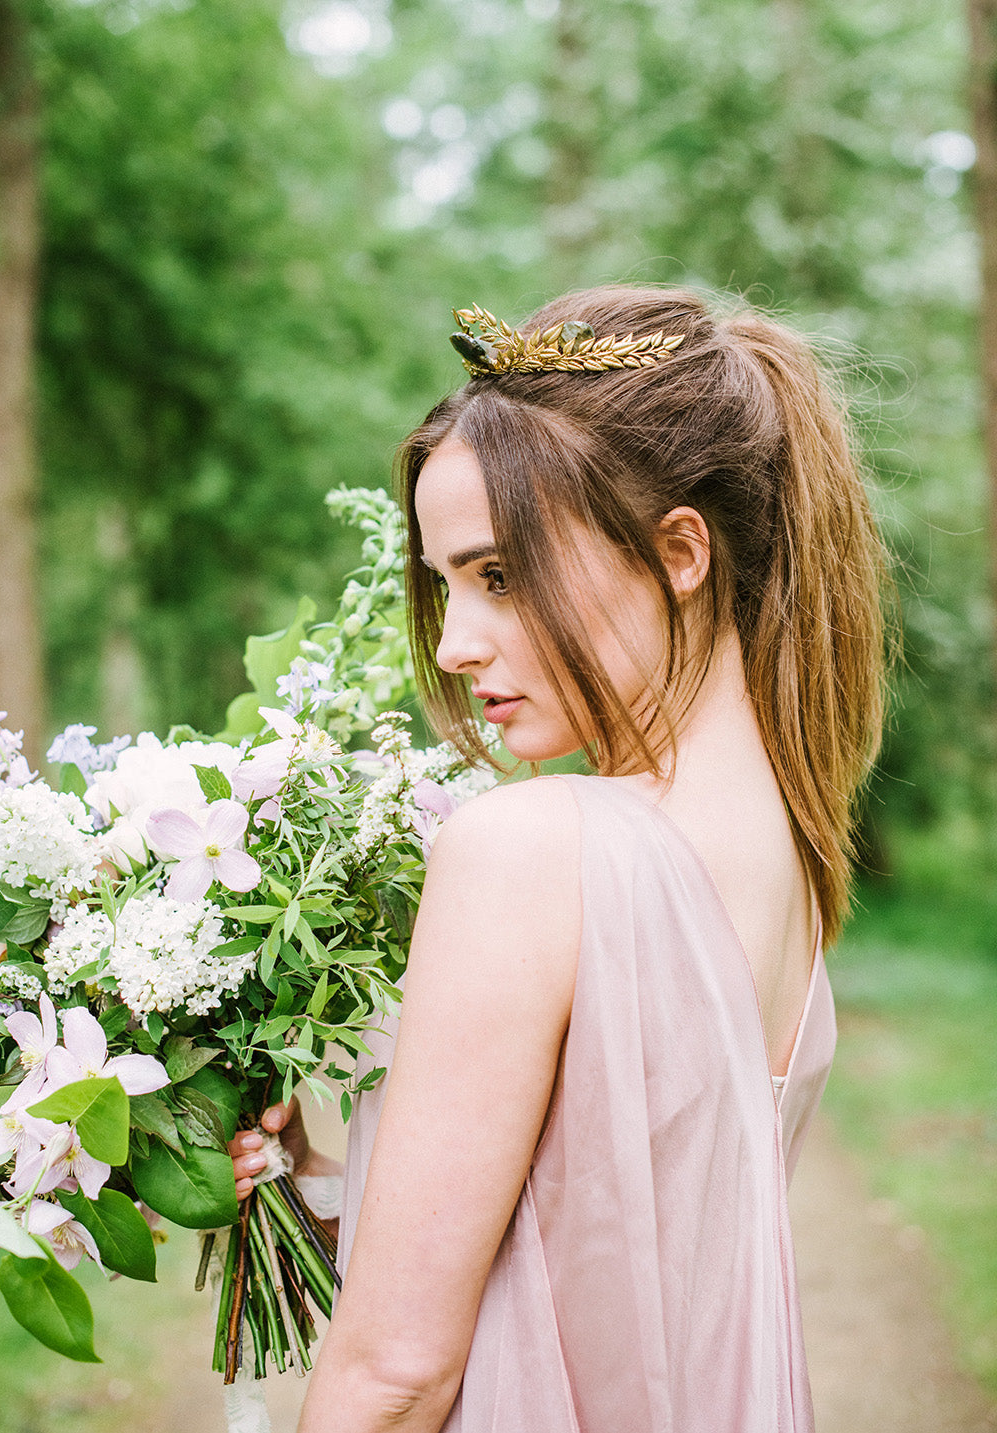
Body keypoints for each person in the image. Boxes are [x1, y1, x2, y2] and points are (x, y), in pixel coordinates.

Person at [229, 284, 889, 1432]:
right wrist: (338, 1199)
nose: (452, 641)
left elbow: (392, 1378)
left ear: (677, 549)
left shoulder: (533, 845)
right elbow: (612, 1252)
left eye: (499, 575)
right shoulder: (787, 859)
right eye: (444, 583)